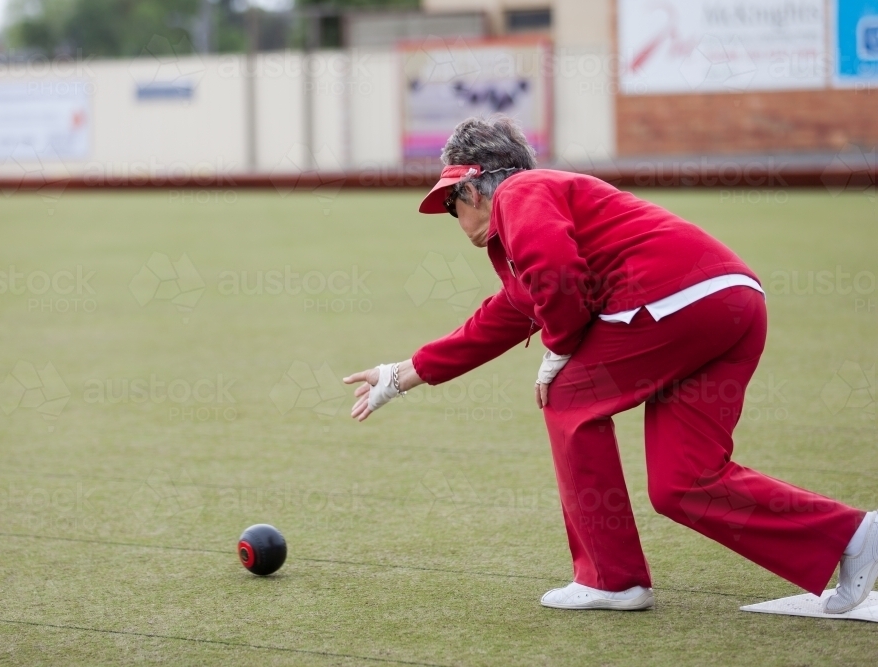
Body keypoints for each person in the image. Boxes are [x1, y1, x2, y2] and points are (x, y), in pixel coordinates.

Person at [343, 116, 877, 612]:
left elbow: (555, 273)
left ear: (471, 185)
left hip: (678, 298)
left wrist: (560, 347)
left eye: (450, 203)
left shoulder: (520, 191)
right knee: (682, 483)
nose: (453, 218)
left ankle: (611, 578)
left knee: (570, 397)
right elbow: (500, 318)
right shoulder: (530, 214)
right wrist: (400, 375)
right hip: (732, 303)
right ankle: (851, 536)